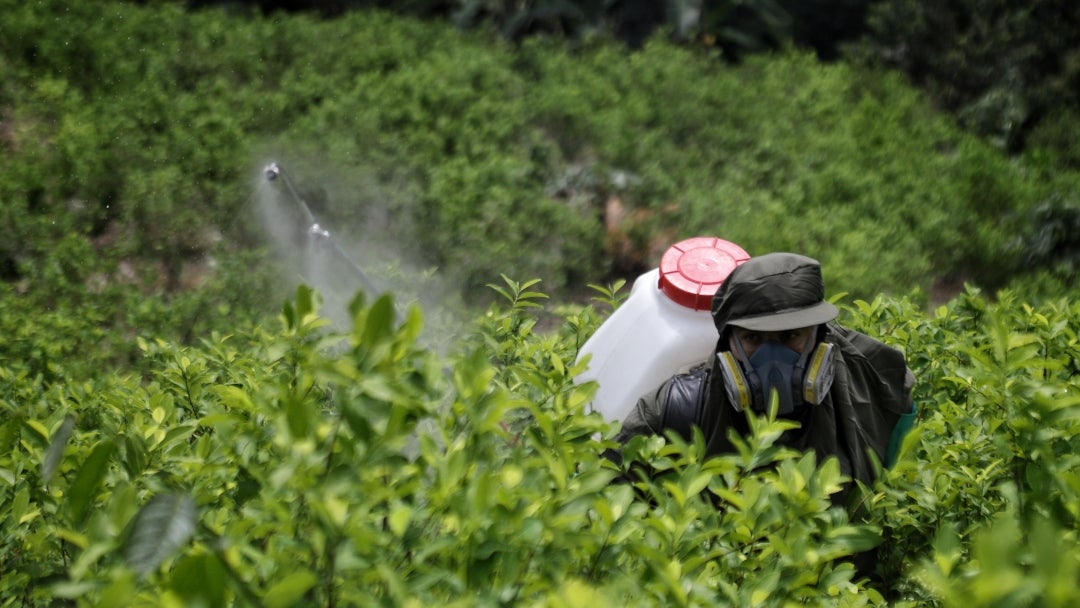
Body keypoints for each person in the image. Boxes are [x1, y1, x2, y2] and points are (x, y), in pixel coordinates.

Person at [613, 252, 917, 489]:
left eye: (791, 336)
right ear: (728, 341)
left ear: (819, 335)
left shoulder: (875, 382)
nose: (773, 358)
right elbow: (609, 495)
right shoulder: (675, 408)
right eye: (752, 338)